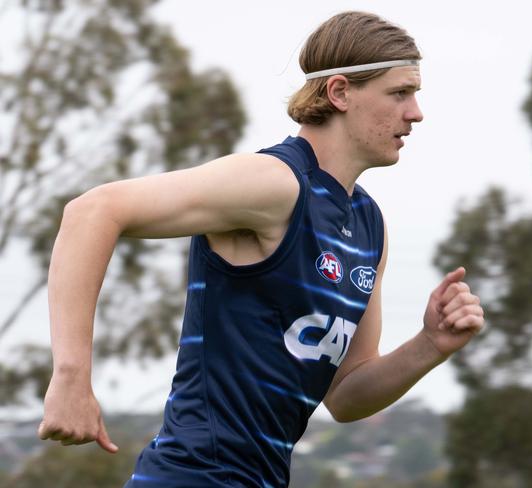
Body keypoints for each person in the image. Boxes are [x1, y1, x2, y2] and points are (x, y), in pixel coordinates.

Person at [38, 10, 485, 487]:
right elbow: (91, 212)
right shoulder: (274, 183)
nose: (415, 112)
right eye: (399, 93)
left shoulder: (369, 225)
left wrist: (429, 346)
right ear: (339, 93)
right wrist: (70, 375)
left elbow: (347, 395)